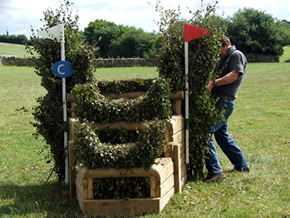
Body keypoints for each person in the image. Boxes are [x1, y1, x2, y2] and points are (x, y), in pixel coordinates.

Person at [204, 35, 250, 182]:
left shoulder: (237, 55)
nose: (216, 52)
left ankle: (215, 172)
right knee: (221, 135)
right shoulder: (221, 59)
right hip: (219, 101)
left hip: (225, 101)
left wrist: (214, 84)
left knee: (206, 133)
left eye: (217, 48)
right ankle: (241, 165)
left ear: (225, 44)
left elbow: (233, 76)